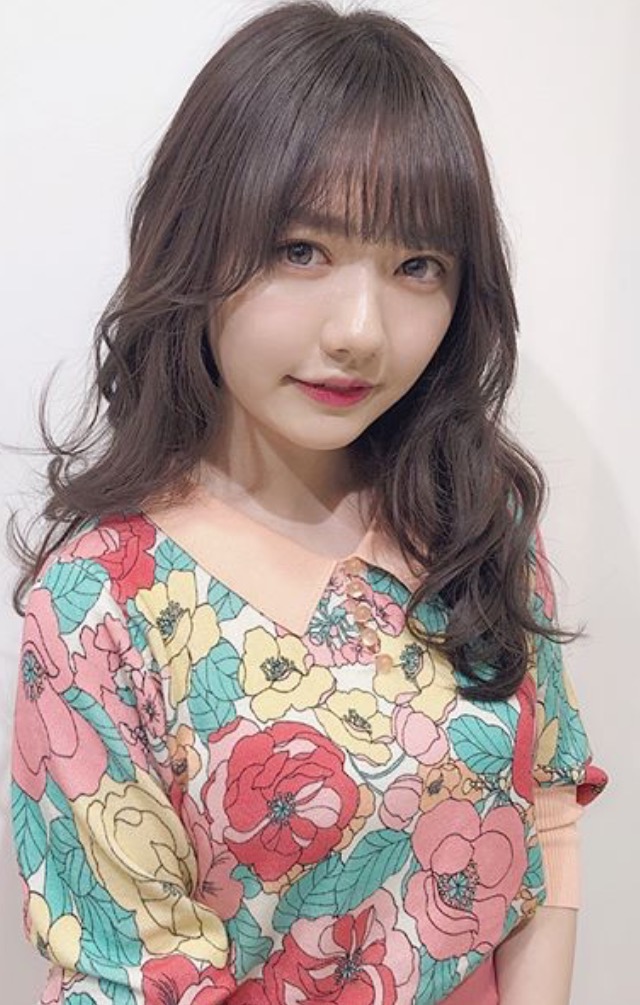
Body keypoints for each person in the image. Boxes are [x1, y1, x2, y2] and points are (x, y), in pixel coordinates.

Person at [7, 2, 609, 1003]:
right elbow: (128, 973)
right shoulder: (98, 607)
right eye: (301, 250)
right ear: (195, 242)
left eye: (417, 266)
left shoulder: (473, 516)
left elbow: (543, 812)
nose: (361, 330)